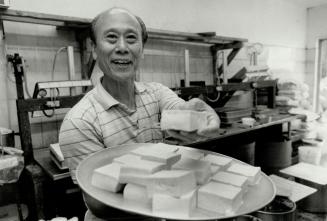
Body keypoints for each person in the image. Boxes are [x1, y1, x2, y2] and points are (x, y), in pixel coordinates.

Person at [59, 7, 220, 220]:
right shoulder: (79, 121)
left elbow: (180, 110)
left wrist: (198, 115)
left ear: (142, 49)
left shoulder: (157, 93)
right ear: (94, 48)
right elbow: (99, 204)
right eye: (111, 38)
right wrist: (177, 189)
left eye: (132, 38)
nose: (122, 47)